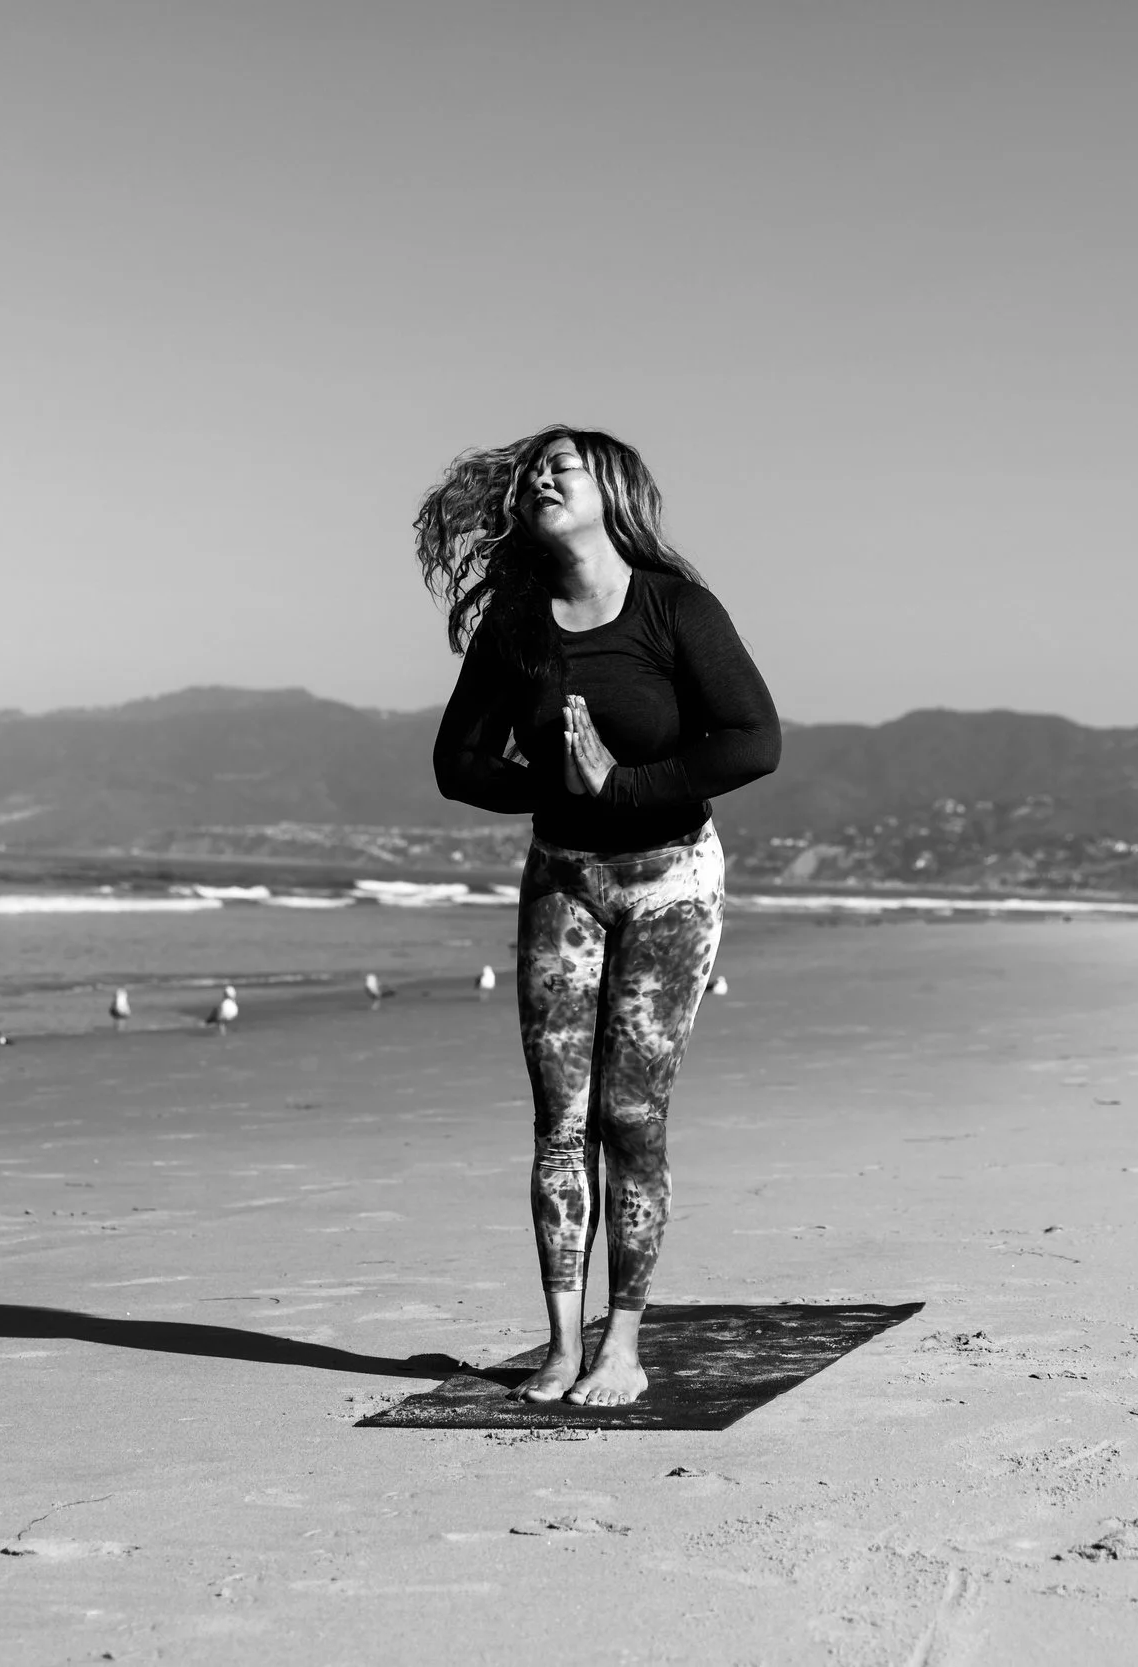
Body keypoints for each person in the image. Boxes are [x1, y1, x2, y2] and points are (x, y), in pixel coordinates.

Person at [419, 426, 779, 1406]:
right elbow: (457, 763)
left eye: (559, 467)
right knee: (558, 1123)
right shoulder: (517, 627)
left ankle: (624, 1340)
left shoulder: (675, 610)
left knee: (631, 1112)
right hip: (564, 880)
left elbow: (754, 739)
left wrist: (619, 785)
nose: (538, 479)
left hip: (670, 881)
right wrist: (556, 783)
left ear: (612, 490)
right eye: (530, 471)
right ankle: (563, 1344)